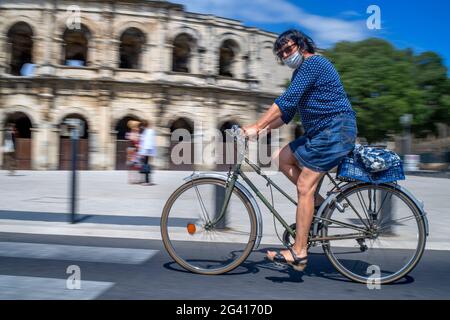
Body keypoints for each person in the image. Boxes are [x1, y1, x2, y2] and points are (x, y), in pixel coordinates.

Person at [243, 29, 358, 271]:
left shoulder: (313, 63)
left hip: (335, 130)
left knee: (304, 185)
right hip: (321, 133)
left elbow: (286, 99)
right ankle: (317, 203)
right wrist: (260, 132)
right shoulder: (300, 73)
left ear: (301, 44)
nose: (285, 55)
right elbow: (286, 113)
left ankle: (299, 251)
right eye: (281, 53)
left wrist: (257, 125)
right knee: (282, 157)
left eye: (288, 48)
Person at [138, 120, 157, 186]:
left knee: (146, 166)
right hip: (148, 151)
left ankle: (147, 181)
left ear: (144, 126)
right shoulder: (149, 131)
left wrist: (144, 152)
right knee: (146, 165)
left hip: (146, 151)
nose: (141, 127)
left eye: (142, 126)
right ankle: (148, 180)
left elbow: (147, 143)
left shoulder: (148, 132)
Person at [125, 120, 141, 184]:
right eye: (137, 127)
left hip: (132, 151)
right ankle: (132, 179)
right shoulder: (133, 133)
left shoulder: (133, 133)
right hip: (133, 151)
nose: (138, 128)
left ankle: (133, 179)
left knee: (134, 166)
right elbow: (134, 142)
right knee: (133, 165)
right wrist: (138, 145)